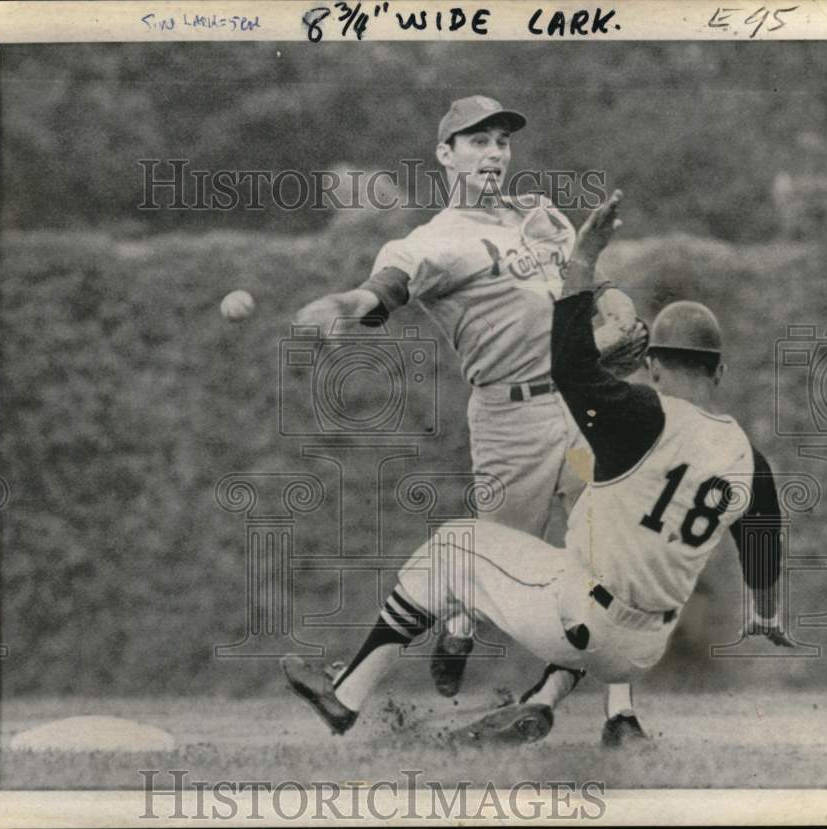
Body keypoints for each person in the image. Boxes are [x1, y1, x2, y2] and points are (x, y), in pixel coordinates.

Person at [282, 190, 791, 745]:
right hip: (645, 649)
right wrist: (764, 613)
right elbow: (763, 544)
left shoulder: (636, 414)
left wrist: (585, 258)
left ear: (652, 365)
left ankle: (347, 693)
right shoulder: (749, 462)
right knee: (592, 543)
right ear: (718, 374)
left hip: (584, 622)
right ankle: (573, 708)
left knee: (456, 546)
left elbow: (568, 364)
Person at [293, 95, 643, 742]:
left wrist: (620, 308)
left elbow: (591, 281)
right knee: (469, 564)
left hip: (582, 402)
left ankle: (621, 716)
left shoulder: (540, 215)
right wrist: (349, 302)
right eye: (477, 140)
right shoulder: (434, 240)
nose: (493, 152)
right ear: (446, 154)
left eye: (501, 141)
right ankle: (437, 640)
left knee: (616, 548)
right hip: (513, 419)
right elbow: (389, 286)